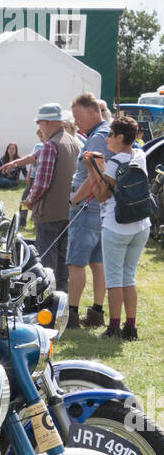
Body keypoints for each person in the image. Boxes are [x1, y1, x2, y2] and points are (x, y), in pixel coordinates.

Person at [85, 114, 151, 341]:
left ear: (120, 137)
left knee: (114, 279)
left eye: (110, 135)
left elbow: (102, 196)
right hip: (141, 224)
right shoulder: (140, 154)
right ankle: (130, 328)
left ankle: (113, 327)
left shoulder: (114, 163)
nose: (106, 139)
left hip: (116, 225)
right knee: (129, 277)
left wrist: (93, 168)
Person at [65, 93, 110, 330]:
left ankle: (71, 315)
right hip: (100, 207)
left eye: (78, 116)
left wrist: (74, 199)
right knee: (97, 261)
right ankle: (96, 312)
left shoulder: (96, 139)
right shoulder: (106, 133)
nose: (76, 122)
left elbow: (95, 177)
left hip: (86, 206)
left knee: (76, 262)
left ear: (93, 112)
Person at [25, 103, 79, 294]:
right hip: (68, 210)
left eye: (39, 122)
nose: (39, 127)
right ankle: (62, 297)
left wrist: (30, 200)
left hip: (48, 212)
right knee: (63, 260)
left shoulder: (50, 145)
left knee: (46, 261)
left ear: (46, 122)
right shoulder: (73, 141)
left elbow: (41, 183)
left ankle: (47, 299)